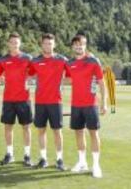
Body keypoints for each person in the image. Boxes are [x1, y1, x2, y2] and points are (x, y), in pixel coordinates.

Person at [66, 34, 107, 178]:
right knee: (78, 133)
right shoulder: (69, 63)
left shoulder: (93, 61)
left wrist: (104, 103)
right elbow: (65, 79)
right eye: (76, 44)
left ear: (85, 45)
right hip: (76, 104)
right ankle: (82, 162)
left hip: (91, 104)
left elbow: (102, 83)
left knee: (93, 133)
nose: (79, 46)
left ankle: (96, 165)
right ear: (73, 47)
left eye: (81, 44)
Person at [29, 33, 68, 171]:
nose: (48, 46)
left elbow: (75, 70)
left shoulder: (62, 60)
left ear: (54, 45)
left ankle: (59, 160)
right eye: (45, 43)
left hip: (56, 101)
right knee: (41, 131)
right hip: (40, 102)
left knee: (57, 131)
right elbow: (28, 74)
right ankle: (43, 158)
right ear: (42, 45)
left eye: (50, 43)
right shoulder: (35, 61)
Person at [0, 33, 33, 167]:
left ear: (20, 43)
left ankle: (27, 155)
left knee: (26, 127)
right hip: (8, 99)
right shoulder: (4, 59)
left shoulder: (27, 58)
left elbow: (34, 71)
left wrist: (27, 79)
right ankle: (9, 154)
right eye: (12, 42)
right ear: (8, 43)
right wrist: (2, 79)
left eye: (16, 42)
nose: (14, 44)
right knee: (8, 127)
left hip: (24, 98)